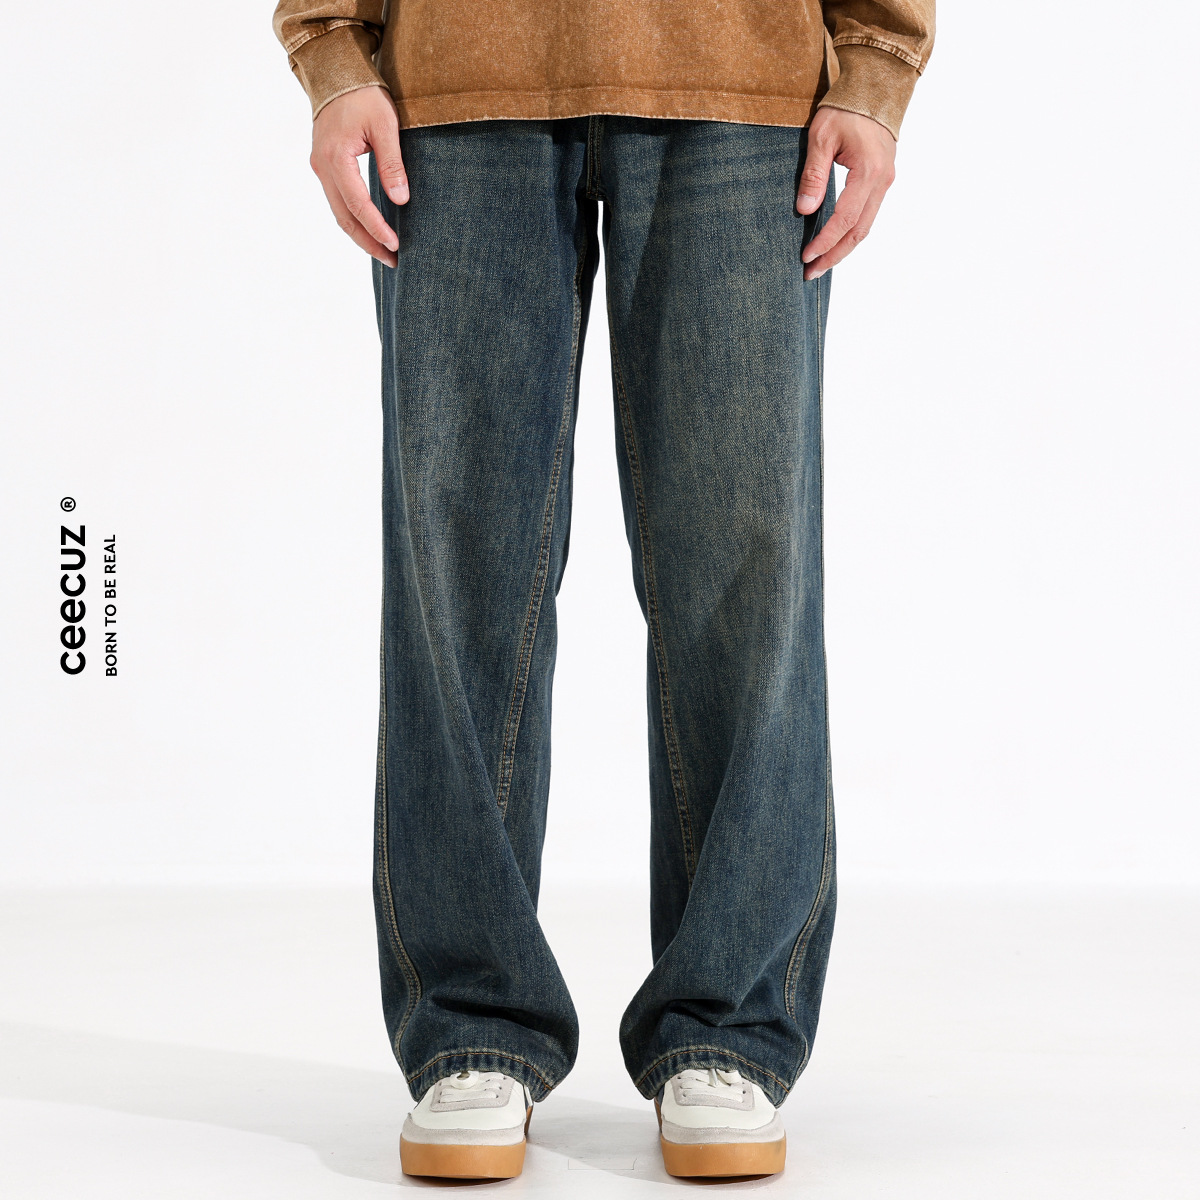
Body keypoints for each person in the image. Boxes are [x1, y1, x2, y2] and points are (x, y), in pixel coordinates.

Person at [271, 0, 934, 1180]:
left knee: (746, 579)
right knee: (456, 576)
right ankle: (471, 1024)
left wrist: (876, 63)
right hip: (458, 75)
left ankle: (727, 1026)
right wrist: (331, 52)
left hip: (741, 75)